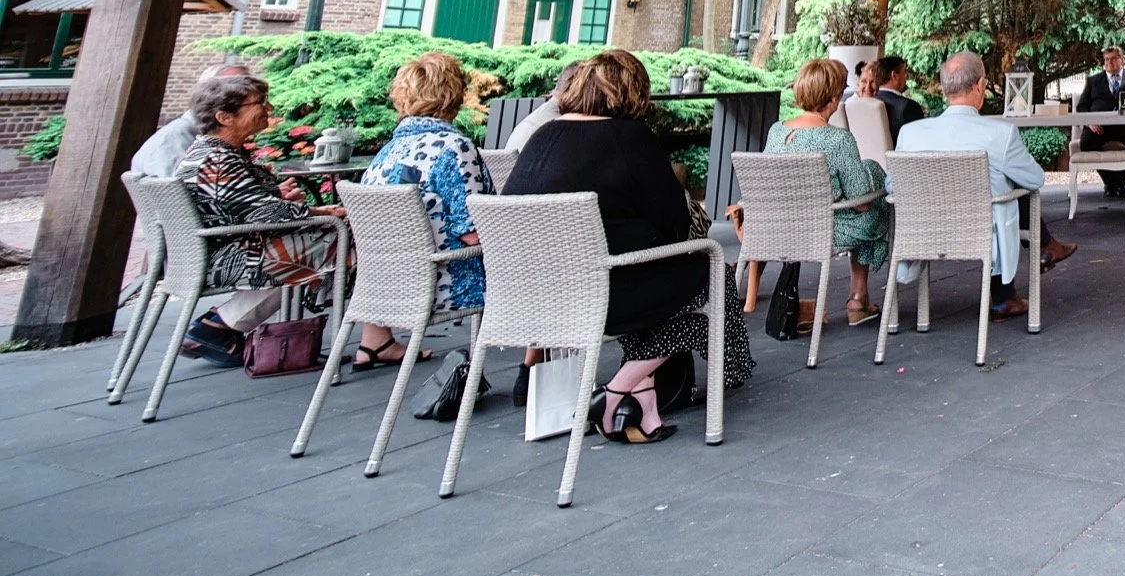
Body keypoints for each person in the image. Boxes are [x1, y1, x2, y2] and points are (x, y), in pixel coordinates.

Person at [504, 51, 754, 444]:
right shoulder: (628, 138)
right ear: (633, 91)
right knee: (710, 271)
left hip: (530, 300)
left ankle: (643, 409)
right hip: (604, 294)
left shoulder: (541, 137)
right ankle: (620, 389)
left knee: (649, 278)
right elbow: (674, 223)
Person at [170, 67, 338, 366]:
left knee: (326, 239)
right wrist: (319, 211)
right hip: (228, 256)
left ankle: (220, 325)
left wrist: (277, 196)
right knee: (340, 236)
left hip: (212, 249)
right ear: (224, 117)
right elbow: (264, 211)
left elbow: (243, 202)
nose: (268, 108)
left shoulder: (209, 152)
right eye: (259, 103)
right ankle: (222, 325)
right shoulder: (219, 161)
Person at [894, 52, 1077, 316]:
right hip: (982, 235)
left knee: (1001, 183)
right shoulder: (999, 133)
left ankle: (1011, 292)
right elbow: (1035, 179)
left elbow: (893, 187)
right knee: (1007, 185)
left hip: (923, 233)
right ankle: (1006, 294)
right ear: (980, 85)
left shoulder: (911, 134)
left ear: (945, 87)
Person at [356, 52, 495, 369]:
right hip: (444, 281)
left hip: (382, 284)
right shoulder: (453, 147)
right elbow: (472, 230)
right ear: (454, 96)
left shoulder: (385, 153)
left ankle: (375, 342)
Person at [764, 58, 891, 326]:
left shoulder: (776, 132)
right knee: (875, 201)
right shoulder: (837, 140)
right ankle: (858, 298)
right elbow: (862, 204)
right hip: (821, 230)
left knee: (866, 178)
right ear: (834, 98)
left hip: (777, 227)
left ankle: (859, 298)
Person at [1075, 45, 1125, 198]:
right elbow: (1081, 106)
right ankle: (1110, 182)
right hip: (1100, 127)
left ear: (1122, 60)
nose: (1109, 62)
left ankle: (1119, 181)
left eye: (1113, 59)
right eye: (1106, 59)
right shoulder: (1093, 81)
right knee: (1086, 142)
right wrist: (1090, 123)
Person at [873, 56, 920, 146]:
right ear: (894, 75)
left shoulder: (867, 104)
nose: (907, 76)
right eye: (904, 72)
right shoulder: (908, 107)